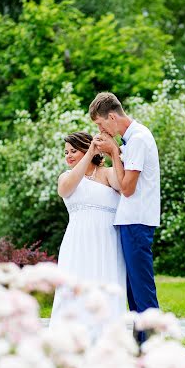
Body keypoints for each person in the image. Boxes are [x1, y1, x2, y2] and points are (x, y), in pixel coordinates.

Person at [89, 92, 160, 344]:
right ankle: (141, 344)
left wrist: (113, 153)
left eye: (99, 124)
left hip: (137, 221)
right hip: (131, 221)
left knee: (142, 289)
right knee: (133, 290)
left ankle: (153, 345)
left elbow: (127, 188)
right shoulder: (132, 140)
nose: (100, 129)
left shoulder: (139, 139)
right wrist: (116, 152)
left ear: (111, 117)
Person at [49, 132, 126, 336]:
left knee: (105, 284)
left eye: (73, 151)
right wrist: (89, 152)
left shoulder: (107, 173)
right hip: (77, 242)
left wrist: (114, 153)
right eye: (66, 152)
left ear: (85, 149)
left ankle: (106, 336)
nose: (68, 156)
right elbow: (65, 191)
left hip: (107, 240)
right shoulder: (66, 177)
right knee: (75, 285)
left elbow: (122, 185)